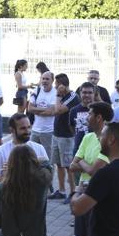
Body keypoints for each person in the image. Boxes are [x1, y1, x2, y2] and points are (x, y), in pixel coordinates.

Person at [68, 102, 113, 236]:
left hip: (99, 198)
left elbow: (95, 170)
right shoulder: (87, 137)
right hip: (83, 194)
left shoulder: (109, 139)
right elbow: (72, 165)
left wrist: (85, 166)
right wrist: (88, 167)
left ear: (99, 117)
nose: (86, 117)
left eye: (90, 114)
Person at [42, 73, 80, 203]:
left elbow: (57, 110)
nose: (55, 87)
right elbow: (52, 109)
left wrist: (58, 95)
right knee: (59, 164)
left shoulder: (72, 97)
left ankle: (73, 192)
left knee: (69, 166)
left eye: (57, 84)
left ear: (63, 84)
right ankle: (62, 191)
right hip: (56, 134)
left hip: (67, 137)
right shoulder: (62, 96)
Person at [27, 72, 57, 173]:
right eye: (43, 78)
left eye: (47, 79)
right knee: (31, 158)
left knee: (48, 161)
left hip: (48, 132)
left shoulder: (55, 93)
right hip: (35, 130)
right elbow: (30, 108)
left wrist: (37, 109)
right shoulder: (37, 90)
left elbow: (52, 111)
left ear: (52, 80)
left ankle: (49, 186)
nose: (44, 81)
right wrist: (45, 110)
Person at [69, 82, 96, 155]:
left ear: (94, 94)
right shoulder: (73, 110)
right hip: (78, 148)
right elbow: (72, 127)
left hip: (95, 149)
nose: (87, 95)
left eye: (90, 93)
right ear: (80, 93)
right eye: (84, 92)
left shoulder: (99, 110)